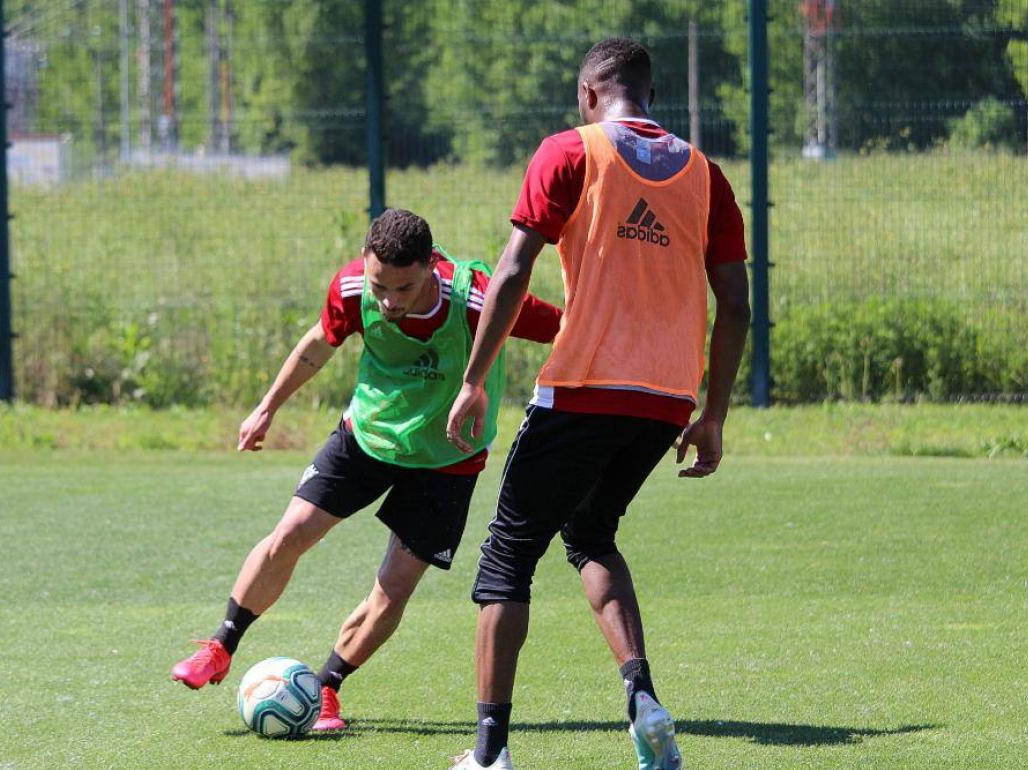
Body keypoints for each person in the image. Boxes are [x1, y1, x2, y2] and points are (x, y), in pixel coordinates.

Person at [444, 39, 751, 770]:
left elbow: (514, 269)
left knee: (506, 558)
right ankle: (644, 700)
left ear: (588, 93)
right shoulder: (706, 176)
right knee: (589, 534)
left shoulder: (569, 152)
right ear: (649, 95)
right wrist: (713, 414)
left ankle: (489, 753)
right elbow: (737, 304)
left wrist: (474, 378)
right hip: (667, 401)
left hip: (583, 388)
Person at [170, 208, 561, 732]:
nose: (389, 301)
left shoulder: (475, 297)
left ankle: (326, 689)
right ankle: (220, 645)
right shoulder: (353, 287)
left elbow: (564, 327)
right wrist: (266, 407)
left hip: (448, 460)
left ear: (431, 265)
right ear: (365, 262)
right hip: (367, 437)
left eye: (403, 288)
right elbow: (317, 345)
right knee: (288, 534)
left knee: (393, 587)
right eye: (381, 285)